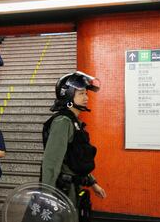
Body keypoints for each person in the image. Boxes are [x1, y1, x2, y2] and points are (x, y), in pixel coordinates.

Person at [41, 71, 107, 221]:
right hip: (62, 191)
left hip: (72, 188)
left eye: (86, 93)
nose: (86, 98)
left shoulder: (74, 122)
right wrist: (46, 196)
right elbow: (51, 162)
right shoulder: (62, 122)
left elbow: (76, 158)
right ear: (69, 96)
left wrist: (92, 182)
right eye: (81, 94)